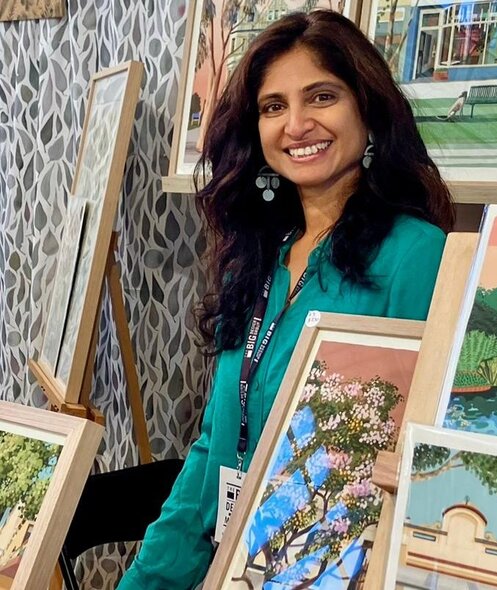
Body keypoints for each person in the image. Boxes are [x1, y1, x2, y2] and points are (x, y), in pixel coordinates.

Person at [118, 10, 454, 588]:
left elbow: (434, 452)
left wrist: (427, 473)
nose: (296, 124)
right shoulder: (256, 256)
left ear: (367, 111)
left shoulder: (416, 253)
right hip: (239, 569)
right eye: (273, 107)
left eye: (320, 96)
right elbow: (214, 451)